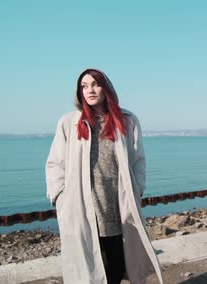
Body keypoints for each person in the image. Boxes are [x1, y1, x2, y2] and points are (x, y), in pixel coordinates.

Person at [46, 68, 163, 284]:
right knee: (89, 269)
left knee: (117, 268)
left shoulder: (126, 120)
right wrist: (60, 197)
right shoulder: (70, 123)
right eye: (84, 86)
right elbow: (55, 164)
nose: (89, 90)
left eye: (95, 84)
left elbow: (138, 161)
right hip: (83, 208)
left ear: (106, 88)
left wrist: (136, 190)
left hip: (118, 207)